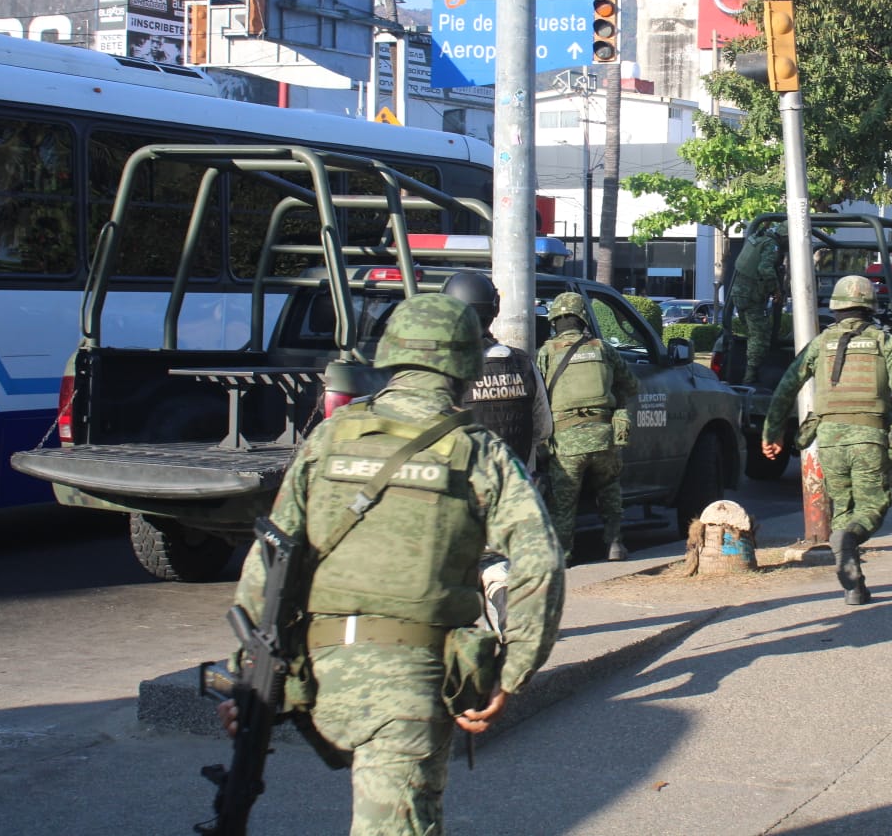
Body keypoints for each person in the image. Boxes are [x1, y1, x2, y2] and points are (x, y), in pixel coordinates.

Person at [220, 293, 565, 836]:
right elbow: (540, 562)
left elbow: (272, 553)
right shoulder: (478, 452)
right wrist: (513, 671)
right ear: (464, 365)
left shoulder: (330, 437)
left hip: (315, 675)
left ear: (391, 354)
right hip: (407, 684)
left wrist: (247, 672)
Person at [761, 275, 892, 605]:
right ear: (870, 307)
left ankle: (853, 586)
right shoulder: (884, 342)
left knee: (843, 506)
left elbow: (786, 388)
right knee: (874, 505)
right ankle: (848, 538)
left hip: (828, 440)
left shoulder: (819, 344)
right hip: (869, 437)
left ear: (836, 307)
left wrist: (772, 433)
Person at [537, 291, 640, 561]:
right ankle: (615, 543)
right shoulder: (603, 348)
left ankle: (564, 554)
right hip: (604, 437)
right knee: (609, 489)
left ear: (554, 320)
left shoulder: (546, 353)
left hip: (566, 442)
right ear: (583, 318)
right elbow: (632, 386)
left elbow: (538, 398)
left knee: (564, 502)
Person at [441, 270, 552, 471]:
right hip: (515, 487)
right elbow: (544, 430)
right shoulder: (523, 362)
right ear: (494, 309)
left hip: (465, 484)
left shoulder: (446, 367)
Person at [730, 222, 786, 383]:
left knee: (751, 333)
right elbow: (765, 269)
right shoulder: (772, 245)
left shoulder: (758, 237)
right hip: (751, 296)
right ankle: (750, 376)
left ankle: (749, 371)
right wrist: (776, 290)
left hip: (739, 293)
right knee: (759, 336)